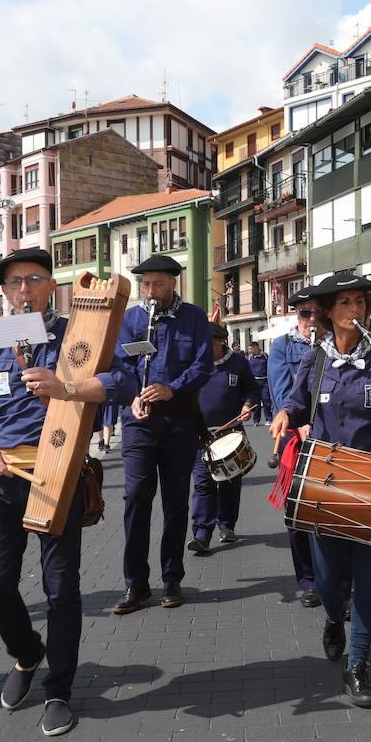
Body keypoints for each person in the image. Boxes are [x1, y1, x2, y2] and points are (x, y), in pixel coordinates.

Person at [0, 247, 137, 736]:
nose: (24, 290)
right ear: (5, 293)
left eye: (33, 280)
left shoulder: (78, 335)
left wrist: (68, 388)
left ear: (53, 285)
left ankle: (60, 687)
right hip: (1, 475)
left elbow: (122, 380)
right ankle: (27, 654)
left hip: (59, 470)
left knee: (61, 589)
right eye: (14, 283)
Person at [269, 272, 371, 707]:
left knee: (370, 578)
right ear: (328, 314)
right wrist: (284, 413)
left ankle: (358, 665)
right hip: (324, 479)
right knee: (327, 578)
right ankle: (333, 617)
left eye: (360, 302)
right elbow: (297, 401)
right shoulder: (316, 359)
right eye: (345, 304)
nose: (354, 311)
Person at [112, 254, 214, 614]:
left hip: (179, 421)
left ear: (173, 282)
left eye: (157, 284)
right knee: (136, 496)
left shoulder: (194, 317)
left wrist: (172, 388)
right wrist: (132, 397)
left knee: (175, 502)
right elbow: (120, 365)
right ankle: (135, 583)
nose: (150, 291)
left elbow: (203, 364)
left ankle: (171, 578)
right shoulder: (133, 319)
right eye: (145, 284)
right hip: (139, 421)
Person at [268, 288, 324, 607]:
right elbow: (280, 394)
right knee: (297, 510)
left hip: (328, 437)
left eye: (317, 312)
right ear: (296, 315)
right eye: (305, 313)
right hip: (294, 438)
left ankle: (334, 576)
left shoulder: (332, 346)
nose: (311, 319)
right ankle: (308, 580)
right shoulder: (282, 347)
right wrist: (296, 421)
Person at [188, 323, 260, 553]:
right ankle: (201, 533)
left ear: (221, 341)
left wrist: (248, 405)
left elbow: (252, 389)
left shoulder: (239, 363)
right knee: (203, 484)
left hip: (230, 433)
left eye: (207, 343)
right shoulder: (194, 364)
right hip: (200, 434)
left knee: (229, 481)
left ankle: (226, 524)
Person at [246, 342, 271, 425]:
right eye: (249, 349)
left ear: (256, 347)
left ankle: (269, 419)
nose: (249, 350)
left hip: (265, 381)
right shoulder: (249, 358)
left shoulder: (265, 356)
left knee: (266, 400)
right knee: (256, 403)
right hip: (255, 382)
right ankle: (256, 420)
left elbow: (270, 367)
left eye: (251, 348)